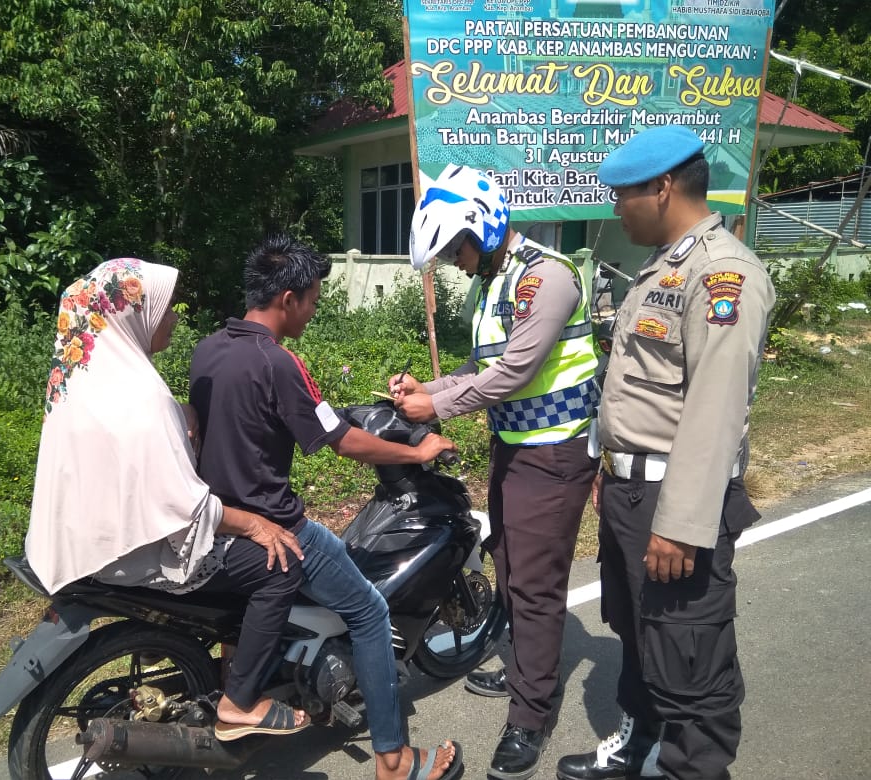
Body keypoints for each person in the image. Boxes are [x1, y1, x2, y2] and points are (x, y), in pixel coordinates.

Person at [189, 234, 464, 780]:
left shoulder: (208, 348)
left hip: (217, 521)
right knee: (370, 611)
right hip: (274, 523)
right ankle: (393, 759)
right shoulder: (277, 362)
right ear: (288, 299)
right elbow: (341, 439)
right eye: (312, 300)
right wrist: (417, 450)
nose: (314, 310)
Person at [555, 125, 776, 780]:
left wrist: (680, 524)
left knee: (689, 655)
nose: (615, 208)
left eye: (623, 194)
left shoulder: (723, 275)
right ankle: (638, 744)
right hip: (632, 490)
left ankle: (690, 767)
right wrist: (609, 464)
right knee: (639, 632)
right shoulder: (662, 268)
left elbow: (713, 412)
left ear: (662, 187)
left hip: (675, 499)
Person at [24, 257, 311, 741]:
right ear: (131, 315)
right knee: (280, 567)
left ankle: (191, 650)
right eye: (165, 309)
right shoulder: (145, 397)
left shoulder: (82, 379)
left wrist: (182, 414)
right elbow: (187, 507)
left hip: (80, 536)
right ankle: (240, 702)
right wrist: (257, 524)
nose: (174, 317)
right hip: (130, 552)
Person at [391, 164, 600, 780]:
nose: (455, 264)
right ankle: (527, 670)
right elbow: (481, 368)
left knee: (534, 585)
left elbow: (516, 373)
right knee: (509, 563)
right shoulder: (497, 279)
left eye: (455, 250)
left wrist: (438, 407)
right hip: (515, 446)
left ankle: (531, 713)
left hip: (555, 451)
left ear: (481, 229)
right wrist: (426, 389)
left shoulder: (545, 278)